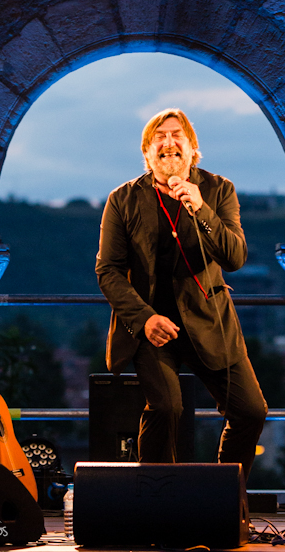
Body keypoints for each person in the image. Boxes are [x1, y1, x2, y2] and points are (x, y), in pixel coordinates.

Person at [96, 108, 267, 479]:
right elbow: (107, 270)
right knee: (167, 408)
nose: (168, 142)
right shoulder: (122, 199)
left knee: (251, 411)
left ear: (193, 149)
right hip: (152, 327)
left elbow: (235, 258)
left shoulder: (219, 190)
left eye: (177, 135)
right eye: (159, 136)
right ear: (147, 152)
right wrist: (144, 319)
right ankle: (156, 498)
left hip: (209, 320)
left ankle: (225, 494)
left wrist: (201, 209)